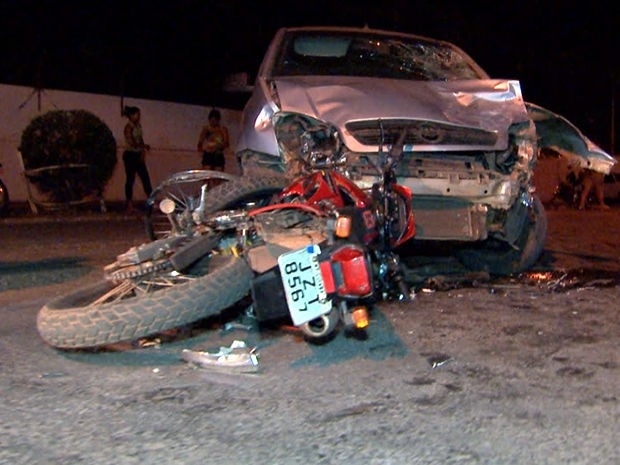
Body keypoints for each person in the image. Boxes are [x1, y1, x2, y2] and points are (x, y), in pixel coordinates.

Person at [122, 106, 153, 214]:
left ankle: (151, 201)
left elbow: (140, 139)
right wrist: (142, 146)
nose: (138, 116)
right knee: (130, 179)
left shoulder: (138, 126)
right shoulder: (128, 127)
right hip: (130, 155)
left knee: (145, 178)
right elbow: (132, 141)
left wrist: (142, 151)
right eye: (136, 114)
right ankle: (129, 204)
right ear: (131, 116)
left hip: (137, 155)